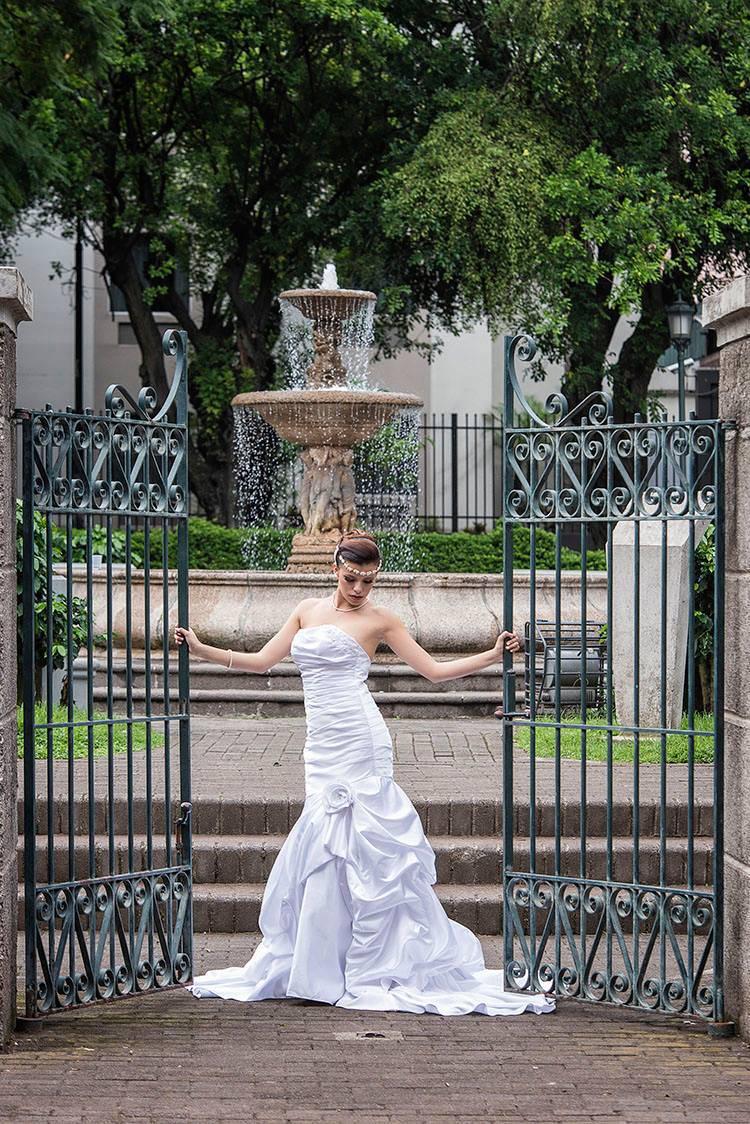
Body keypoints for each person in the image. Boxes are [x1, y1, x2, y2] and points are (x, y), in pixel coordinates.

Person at [174, 529, 554, 1017]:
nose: (358, 589)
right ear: (334, 568)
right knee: (324, 845)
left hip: (361, 739)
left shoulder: (381, 620)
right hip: (321, 745)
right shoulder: (306, 611)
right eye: (351, 578)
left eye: (368, 581)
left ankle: (369, 963)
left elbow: (434, 672)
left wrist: (492, 655)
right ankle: (320, 964)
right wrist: (201, 648)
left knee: (366, 844)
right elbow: (263, 661)